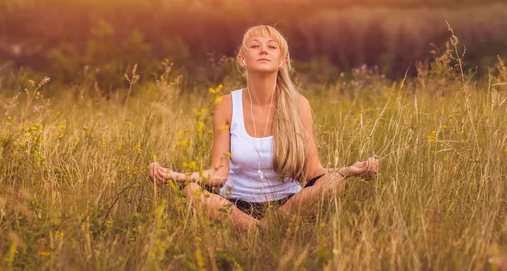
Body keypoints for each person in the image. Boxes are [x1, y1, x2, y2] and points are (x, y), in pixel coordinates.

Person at [148, 25, 379, 231]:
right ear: (242, 60)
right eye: (255, 46)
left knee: (336, 182)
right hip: (235, 203)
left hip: (288, 203)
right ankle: (261, 230)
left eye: (272, 46)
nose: (263, 50)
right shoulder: (226, 105)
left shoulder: (299, 105)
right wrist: (175, 176)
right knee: (192, 192)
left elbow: (314, 173)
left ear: (283, 61)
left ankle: (266, 227)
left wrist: (351, 170)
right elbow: (218, 174)